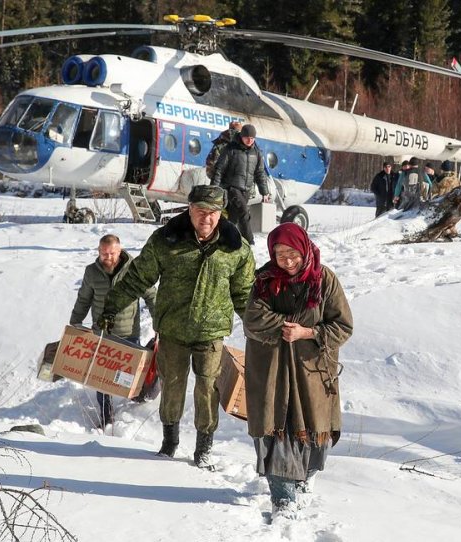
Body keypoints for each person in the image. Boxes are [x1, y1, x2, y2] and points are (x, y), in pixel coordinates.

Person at [101, 185, 256, 467]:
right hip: (172, 331)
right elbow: (137, 277)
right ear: (189, 209)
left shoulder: (236, 250)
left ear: (221, 214)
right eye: (199, 211)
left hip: (211, 334)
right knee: (172, 387)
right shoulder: (166, 240)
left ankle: (203, 448)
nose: (205, 218)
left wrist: (257, 330)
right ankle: (169, 442)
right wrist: (110, 307)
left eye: (212, 213)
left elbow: (244, 294)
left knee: (208, 389)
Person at [243, 222, 353, 518]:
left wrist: (307, 333)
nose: (288, 262)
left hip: (311, 370)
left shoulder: (324, 280)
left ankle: (304, 479)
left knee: (313, 432)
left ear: (304, 249)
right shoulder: (264, 281)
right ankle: (283, 497)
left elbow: (342, 326)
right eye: (281, 255)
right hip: (272, 370)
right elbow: (252, 319)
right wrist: (286, 327)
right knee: (274, 429)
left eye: (293, 255)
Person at [69, 234, 156, 428]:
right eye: (103, 253)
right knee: (101, 378)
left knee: (133, 376)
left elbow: (151, 295)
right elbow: (84, 299)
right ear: (99, 252)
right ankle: (106, 416)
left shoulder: (134, 269)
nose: (107, 257)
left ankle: (138, 402)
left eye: (111, 253)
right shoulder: (91, 272)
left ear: (120, 251)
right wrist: (75, 323)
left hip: (128, 333)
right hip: (102, 333)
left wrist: (158, 321)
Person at [211, 123, 271, 245]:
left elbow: (260, 173)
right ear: (241, 136)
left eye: (252, 138)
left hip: (247, 190)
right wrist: (214, 188)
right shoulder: (231, 149)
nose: (249, 140)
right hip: (231, 187)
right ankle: (250, 242)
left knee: (233, 218)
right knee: (244, 212)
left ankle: (224, 240)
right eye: (247, 137)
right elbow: (219, 170)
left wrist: (264, 192)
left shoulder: (257, 153)